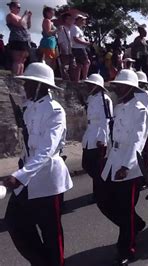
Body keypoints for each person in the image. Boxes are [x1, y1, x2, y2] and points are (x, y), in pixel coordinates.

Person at [3, 62, 73, 266]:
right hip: (27, 173)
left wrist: (20, 175)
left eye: (29, 83)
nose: (25, 86)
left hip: (47, 178)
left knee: (51, 232)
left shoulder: (55, 110)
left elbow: (46, 149)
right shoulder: (28, 107)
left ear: (41, 86)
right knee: (15, 222)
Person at [97, 70, 148, 265]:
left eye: (119, 85)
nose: (116, 88)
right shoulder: (119, 108)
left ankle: (127, 249)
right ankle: (135, 224)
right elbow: (113, 135)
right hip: (113, 159)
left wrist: (126, 166)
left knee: (125, 209)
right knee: (103, 201)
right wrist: (107, 156)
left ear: (129, 88)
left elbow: (138, 140)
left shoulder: (140, 110)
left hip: (128, 163)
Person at [81, 74, 113, 199]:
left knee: (97, 166)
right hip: (90, 133)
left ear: (96, 86)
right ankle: (103, 187)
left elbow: (106, 120)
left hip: (98, 135)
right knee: (87, 164)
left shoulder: (104, 99)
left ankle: (100, 192)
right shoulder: (91, 98)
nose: (88, 86)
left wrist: (103, 138)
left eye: (90, 84)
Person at [135, 71, 148, 173]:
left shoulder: (147, 95)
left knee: (145, 152)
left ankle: (147, 172)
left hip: (147, 128)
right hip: (135, 127)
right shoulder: (133, 95)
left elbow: (146, 110)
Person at [6, 0, 31, 76]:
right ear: (12, 7)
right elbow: (19, 23)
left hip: (25, 40)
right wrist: (25, 15)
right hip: (17, 39)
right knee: (17, 60)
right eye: (18, 7)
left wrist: (29, 17)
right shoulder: (10, 15)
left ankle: (20, 77)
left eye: (20, 7)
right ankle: (15, 77)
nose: (19, 9)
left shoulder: (21, 17)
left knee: (22, 60)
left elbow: (28, 26)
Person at [70, 14, 90, 81]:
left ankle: (76, 80)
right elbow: (75, 38)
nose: (84, 21)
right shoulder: (75, 28)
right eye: (82, 20)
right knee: (86, 62)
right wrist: (86, 43)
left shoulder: (76, 28)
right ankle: (84, 78)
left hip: (77, 48)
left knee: (79, 65)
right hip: (79, 48)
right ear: (78, 20)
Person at [57, 12, 75, 80]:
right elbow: (60, 41)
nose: (72, 21)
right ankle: (66, 80)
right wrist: (63, 49)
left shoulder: (71, 29)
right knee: (65, 66)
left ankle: (71, 80)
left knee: (73, 66)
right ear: (66, 20)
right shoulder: (62, 28)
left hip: (71, 50)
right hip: (65, 50)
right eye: (70, 19)